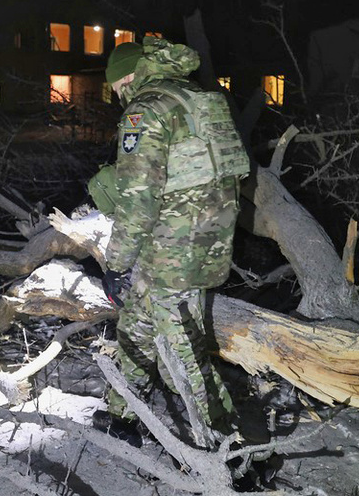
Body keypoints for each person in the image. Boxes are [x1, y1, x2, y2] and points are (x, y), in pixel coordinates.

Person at [93, 37, 250, 440]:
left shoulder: (145, 110)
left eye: (115, 87)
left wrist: (116, 264)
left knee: (184, 352)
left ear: (126, 77)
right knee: (136, 322)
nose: (117, 95)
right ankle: (122, 413)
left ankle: (231, 447)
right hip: (207, 237)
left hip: (172, 250)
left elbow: (137, 201)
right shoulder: (194, 96)